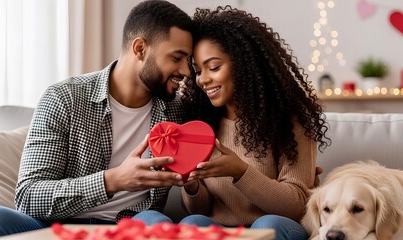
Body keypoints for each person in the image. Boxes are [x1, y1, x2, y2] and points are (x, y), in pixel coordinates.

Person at [0, 0, 194, 237]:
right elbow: (28, 197)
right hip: (57, 226)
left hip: (132, 224)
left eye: (189, 61)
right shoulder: (64, 97)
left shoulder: (178, 111)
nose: (186, 72)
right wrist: (113, 180)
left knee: (157, 221)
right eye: (176, 58)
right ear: (140, 48)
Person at [134, 6, 330, 240]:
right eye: (198, 70)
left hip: (274, 229)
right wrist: (191, 184)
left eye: (214, 67)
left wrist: (240, 171)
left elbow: (297, 205)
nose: (203, 79)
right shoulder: (201, 123)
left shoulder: (290, 122)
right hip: (223, 232)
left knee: (268, 224)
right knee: (193, 222)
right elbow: (201, 210)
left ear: (244, 63)